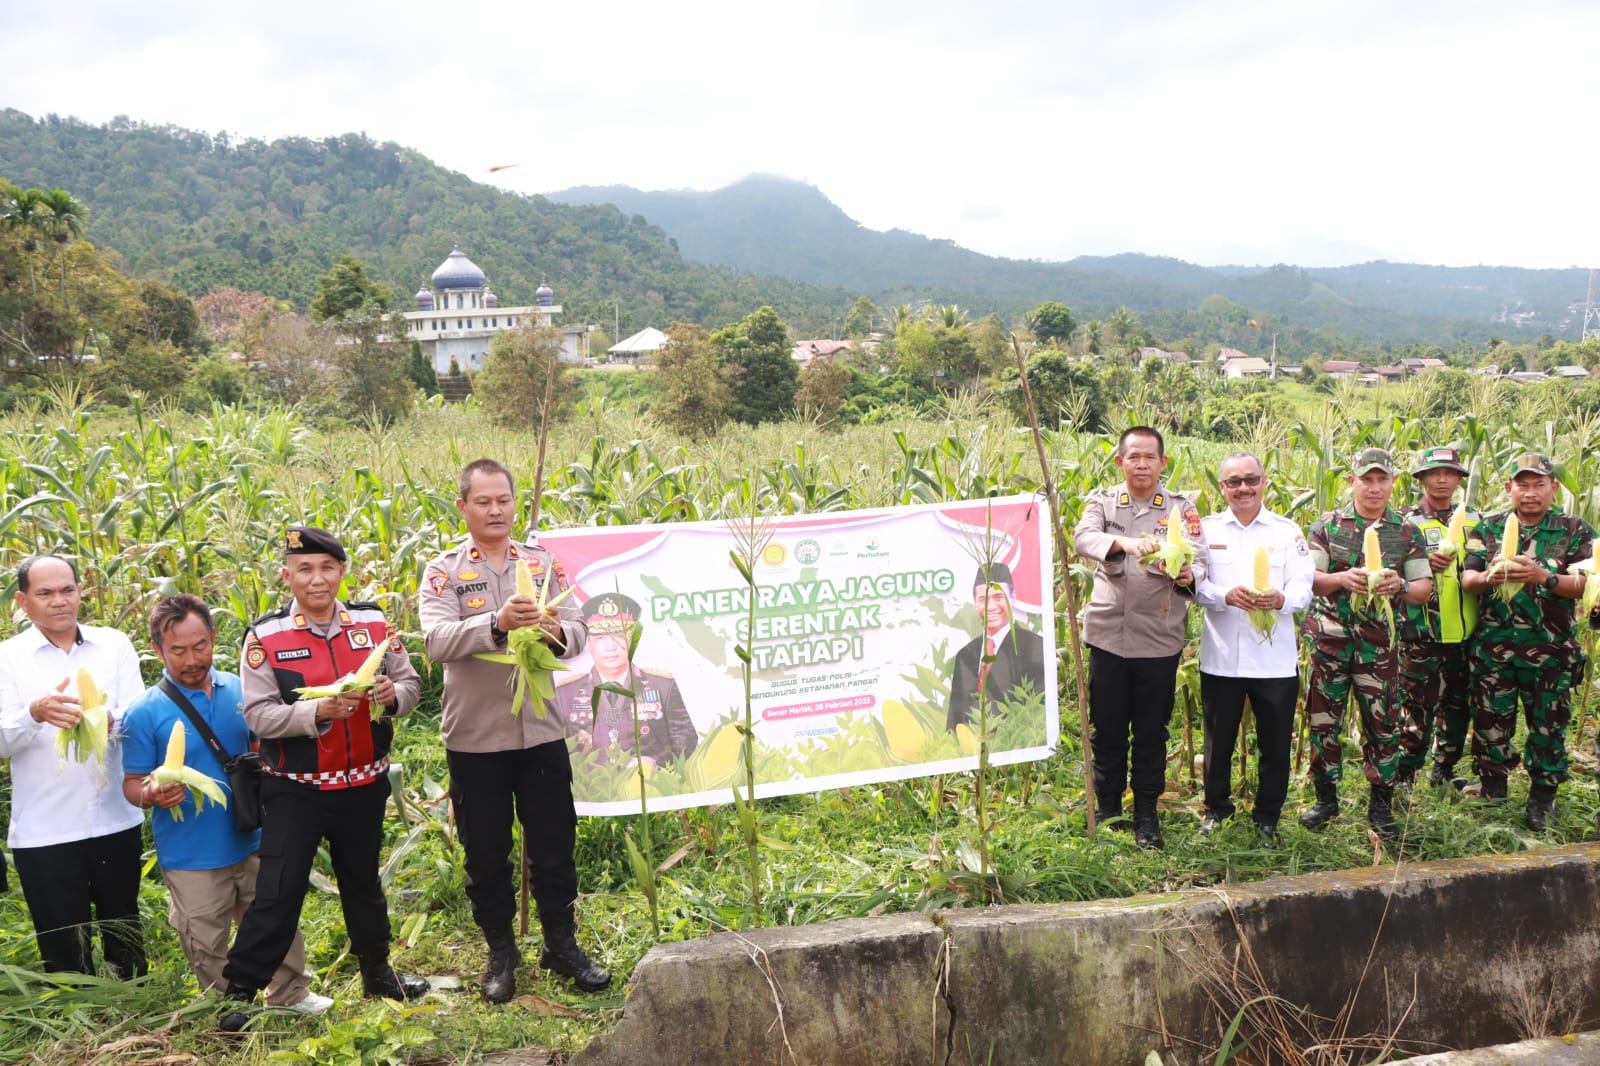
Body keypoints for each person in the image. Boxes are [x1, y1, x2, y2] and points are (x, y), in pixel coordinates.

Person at [220, 526, 425, 1031]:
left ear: (342, 571)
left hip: (364, 783)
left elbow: (411, 681)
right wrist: (317, 714)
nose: (317, 579)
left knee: (363, 884)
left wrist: (391, 695)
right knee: (279, 892)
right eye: (305, 569)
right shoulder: (265, 637)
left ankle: (378, 973)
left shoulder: (374, 624)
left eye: (327, 568)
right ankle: (240, 993)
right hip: (297, 789)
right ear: (286, 576)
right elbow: (258, 716)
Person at [420, 459, 609, 1004]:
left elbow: (577, 633)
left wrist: (551, 627)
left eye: (503, 499)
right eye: (483, 501)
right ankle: (500, 952)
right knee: (486, 852)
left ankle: (561, 944)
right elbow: (435, 641)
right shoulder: (444, 571)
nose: (496, 510)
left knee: (555, 844)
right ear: (464, 507)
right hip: (476, 738)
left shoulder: (543, 564)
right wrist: (497, 624)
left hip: (542, 732)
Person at [121, 595, 332, 1015]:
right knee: (205, 937)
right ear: (157, 650)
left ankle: (291, 993)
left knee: (275, 918)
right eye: (177, 650)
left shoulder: (243, 690)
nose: (192, 658)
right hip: (191, 852)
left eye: (200, 645)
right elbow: (131, 784)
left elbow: (266, 749)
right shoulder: (143, 713)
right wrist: (152, 793)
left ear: (215, 638)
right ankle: (226, 1007)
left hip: (253, 835)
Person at [0, 554, 146, 977]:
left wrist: (109, 718)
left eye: (67, 590)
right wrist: (35, 712)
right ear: (23, 602)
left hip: (115, 819)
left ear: (81, 592)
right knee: (64, 948)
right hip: (45, 828)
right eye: (44, 593)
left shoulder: (114, 644)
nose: (59, 601)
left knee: (126, 934)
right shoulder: (8, 658)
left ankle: (138, 1009)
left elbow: (138, 712)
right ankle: (76, 1025)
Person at [1072, 426, 1206, 850]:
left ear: (1163, 463)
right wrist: (1126, 543)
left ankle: (1147, 814)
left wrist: (1190, 574)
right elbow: (1083, 538)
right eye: (1134, 457)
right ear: (1120, 462)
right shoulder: (1104, 503)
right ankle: (1109, 809)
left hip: (1159, 639)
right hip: (1108, 636)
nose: (1142, 464)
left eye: (1150, 457)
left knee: (1151, 731)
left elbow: (1200, 559)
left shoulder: (1182, 511)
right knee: (1107, 728)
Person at [1299, 448, 1433, 838]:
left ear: (1393, 483)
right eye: (1367, 479)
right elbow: (1311, 579)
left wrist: (1401, 585)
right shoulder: (1326, 526)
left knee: (1384, 725)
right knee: (1324, 721)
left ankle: (1381, 804)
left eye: (1382, 479)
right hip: (1332, 641)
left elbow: (1423, 589)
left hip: (1378, 647)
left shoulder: (1407, 531)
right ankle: (1326, 799)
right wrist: (1343, 580)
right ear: (1351, 481)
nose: (1375, 488)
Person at [1460, 452, 1594, 830]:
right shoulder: (1486, 530)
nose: (1531, 493)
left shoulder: (1575, 531)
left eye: (1539, 484)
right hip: (1493, 651)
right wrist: (1489, 578)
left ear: (1554, 488)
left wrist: (1545, 578)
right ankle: (1492, 787)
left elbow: (1589, 584)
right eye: (1523, 485)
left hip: (1551, 652)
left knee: (1548, 726)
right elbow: (1466, 580)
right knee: (1489, 723)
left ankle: (1543, 797)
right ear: (1509, 489)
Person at [1192, 453, 1314, 846]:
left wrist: (1281, 600)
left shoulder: (1286, 531)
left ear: (1264, 482)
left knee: (1276, 744)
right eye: (1233, 482)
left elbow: (1303, 587)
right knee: (1218, 740)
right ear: (1222, 487)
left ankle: (1268, 817)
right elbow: (1194, 585)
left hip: (1274, 661)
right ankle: (1217, 809)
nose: (1242, 488)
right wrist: (1223, 595)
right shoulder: (1207, 531)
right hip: (1222, 657)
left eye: (1250, 480)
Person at [1396, 447, 1480, 791]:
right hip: (1420, 633)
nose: (1442, 479)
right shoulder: (1404, 521)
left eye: (1449, 473)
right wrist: (1421, 568)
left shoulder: (1477, 520)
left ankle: (1444, 769)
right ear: (1422, 479)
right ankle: (1405, 775)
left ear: (1459, 478)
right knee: (1416, 711)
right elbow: (1386, 571)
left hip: (1466, 634)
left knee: (1458, 708)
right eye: (1434, 473)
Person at [556, 592, 699, 766]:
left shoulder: (662, 686)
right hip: (592, 791)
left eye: (618, 636)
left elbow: (686, 742)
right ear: (589, 643)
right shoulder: (566, 693)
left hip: (649, 787)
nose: (610, 647)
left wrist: (655, 764)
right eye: (600, 638)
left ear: (632, 639)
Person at [945, 563, 1047, 732]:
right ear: (975, 603)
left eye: (999, 597)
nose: (991, 607)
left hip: (1013, 747)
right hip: (971, 752)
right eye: (983, 599)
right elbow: (954, 722)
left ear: (1013, 597)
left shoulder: (1034, 647)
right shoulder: (965, 655)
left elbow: (1040, 714)